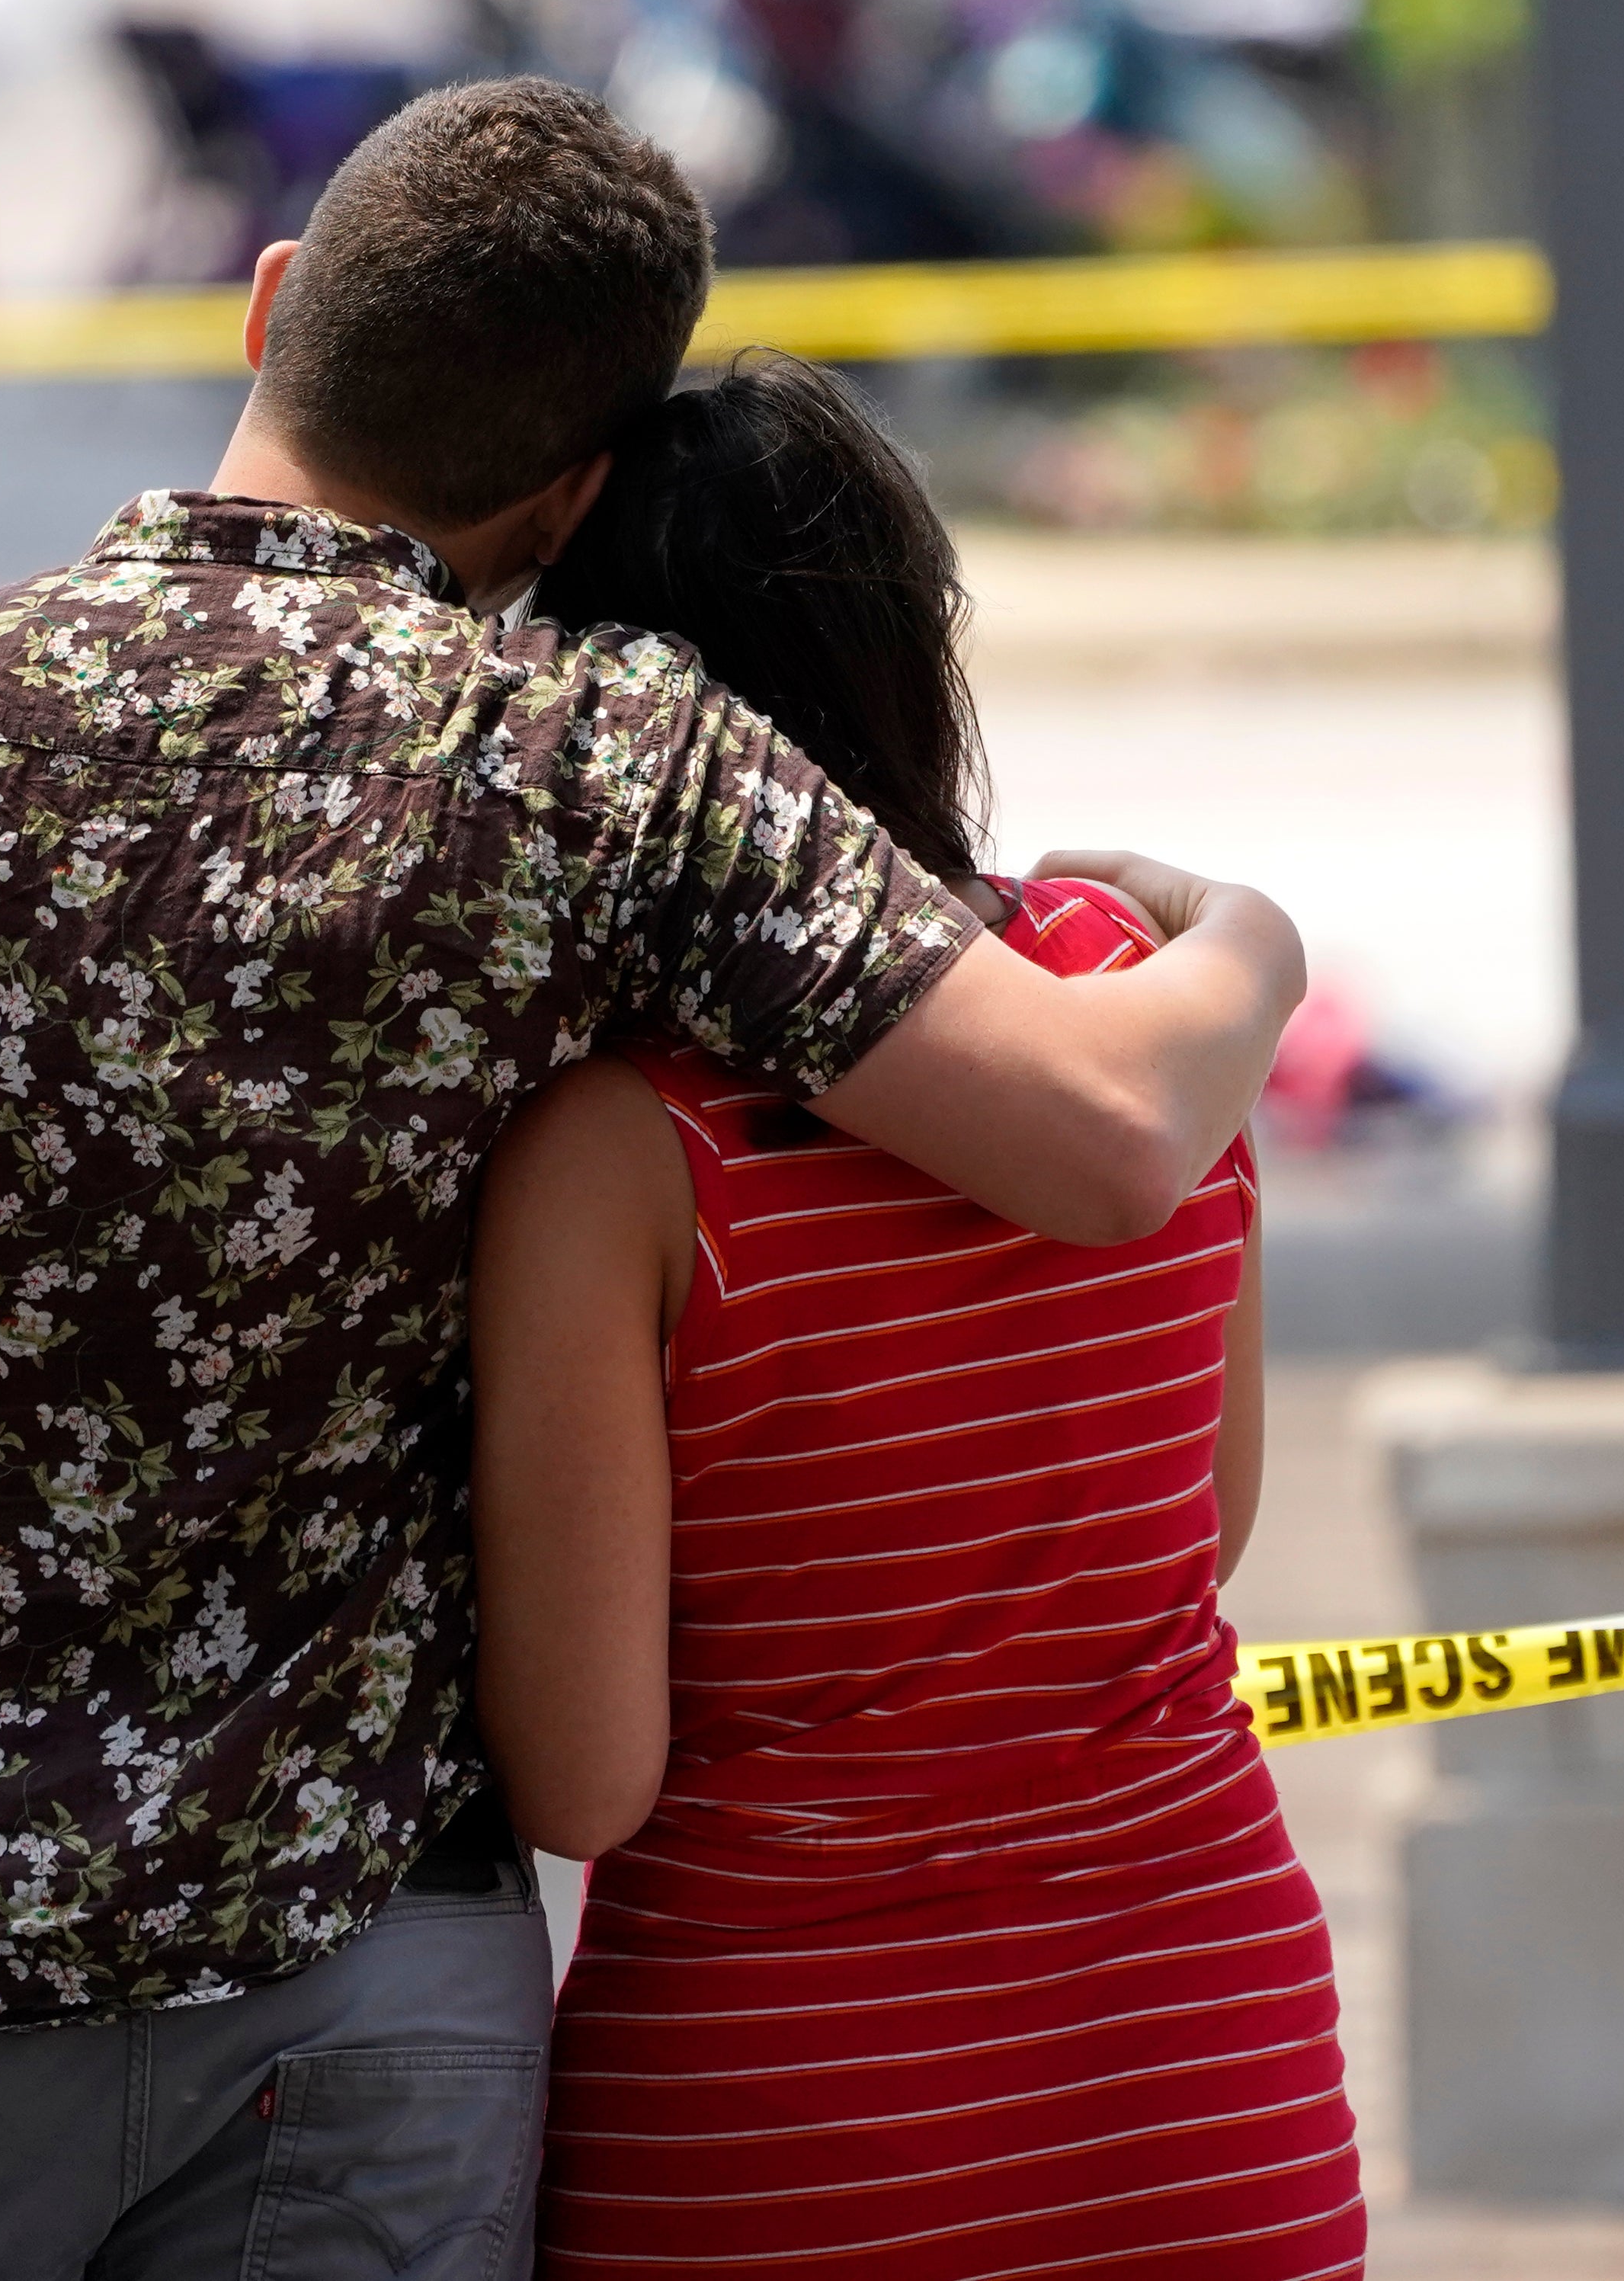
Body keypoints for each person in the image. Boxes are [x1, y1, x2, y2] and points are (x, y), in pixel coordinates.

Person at [0, 77, 1305, 2280]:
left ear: (271, 301)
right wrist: (1249, 937)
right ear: (570, 485)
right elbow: (1108, 1130)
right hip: (364, 1994)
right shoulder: (593, 758)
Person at [471, 351, 1363, 2277]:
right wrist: (1247, 931)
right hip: (1204, 2076)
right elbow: (1197, 1535)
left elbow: (582, 1776)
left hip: (783, 2123)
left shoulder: (619, 1153)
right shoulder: (1135, 1003)